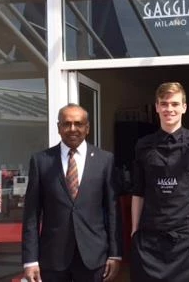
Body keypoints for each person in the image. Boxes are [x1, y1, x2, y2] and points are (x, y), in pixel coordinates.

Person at [22, 103, 122, 282]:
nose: (72, 129)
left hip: (94, 258)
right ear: (58, 127)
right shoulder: (41, 161)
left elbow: (113, 212)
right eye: (67, 124)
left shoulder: (105, 160)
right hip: (53, 259)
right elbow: (31, 215)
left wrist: (115, 255)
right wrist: (30, 260)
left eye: (78, 123)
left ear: (88, 127)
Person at [130, 82, 189, 282]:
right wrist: (134, 230)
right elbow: (138, 190)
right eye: (164, 103)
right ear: (157, 107)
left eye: (175, 104)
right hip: (150, 238)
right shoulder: (143, 145)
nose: (169, 109)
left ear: (184, 108)